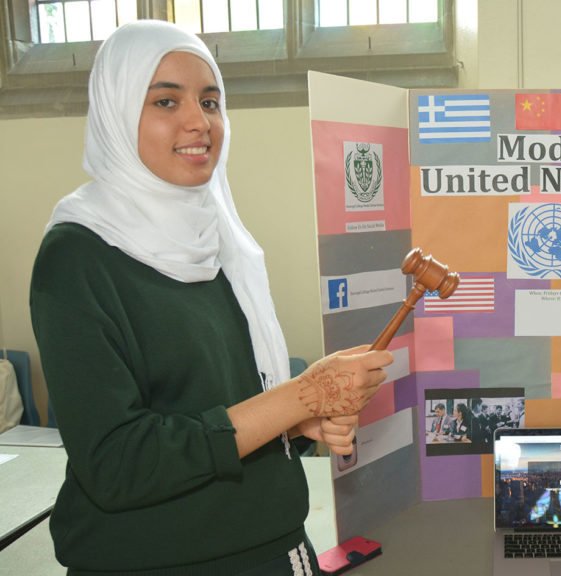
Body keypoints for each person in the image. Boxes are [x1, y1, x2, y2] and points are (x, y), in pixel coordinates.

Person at [29, 20, 393, 575]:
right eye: (166, 101)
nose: (198, 122)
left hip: (275, 543)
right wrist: (299, 398)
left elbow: (221, 404)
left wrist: (297, 422)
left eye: (211, 101)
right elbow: (117, 463)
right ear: (115, 112)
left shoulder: (220, 240)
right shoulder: (77, 258)